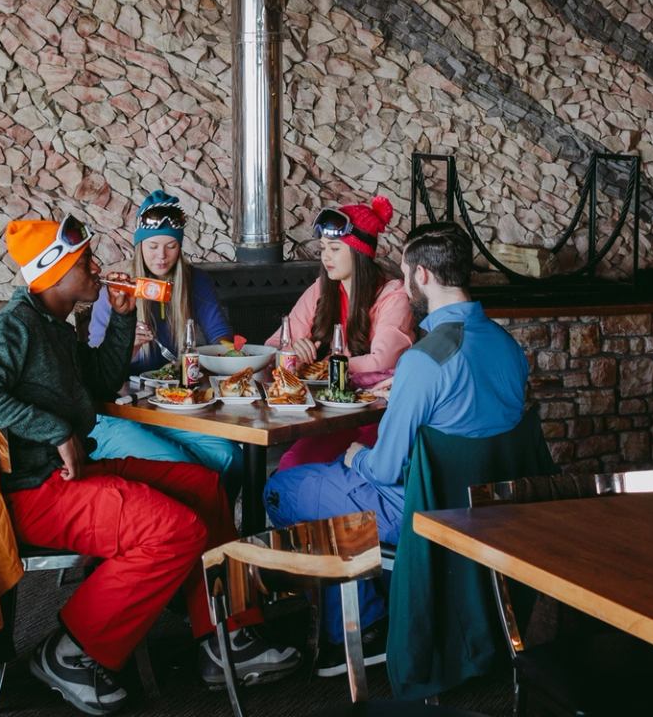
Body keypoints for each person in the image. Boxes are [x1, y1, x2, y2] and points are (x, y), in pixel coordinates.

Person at [0, 214, 300, 715]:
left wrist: (118, 320)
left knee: (204, 485)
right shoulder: (15, 325)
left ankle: (227, 636)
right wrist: (54, 430)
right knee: (173, 531)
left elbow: (95, 385)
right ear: (54, 271)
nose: (97, 268)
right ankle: (71, 649)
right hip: (32, 492)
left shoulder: (56, 324)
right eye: (85, 261)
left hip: (71, 476)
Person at [263, 222, 530, 674]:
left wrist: (354, 456)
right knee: (326, 482)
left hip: (423, 509)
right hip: (489, 509)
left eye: (405, 272)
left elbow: (383, 470)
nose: (403, 282)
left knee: (282, 490)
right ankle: (365, 614)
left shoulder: (424, 363)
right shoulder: (509, 347)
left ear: (422, 276)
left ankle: (362, 624)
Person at [85, 190, 243, 481]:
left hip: (178, 402)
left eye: (171, 246)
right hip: (127, 406)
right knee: (187, 468)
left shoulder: (196, 282)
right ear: (139, 244)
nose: (162, 256)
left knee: (231, 456)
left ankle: (218, 523)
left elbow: (221, 334)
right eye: (153, 245)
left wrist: (232, 354)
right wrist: (125, 347)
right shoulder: (118, 289)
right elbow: (94, 362)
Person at [266, 194, 416, 469]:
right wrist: (290, 351)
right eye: (323, 248)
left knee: (312, 469)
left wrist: (325, 366)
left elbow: (381, 360)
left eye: (334, 249)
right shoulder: (322, 290)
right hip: (327, 415)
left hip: (378, 418)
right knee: (292, 465)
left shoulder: (392, 296)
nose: (325, 257)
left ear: (359, 252)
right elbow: (274, 343)